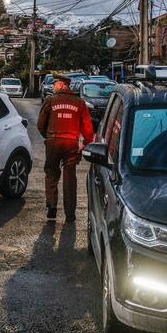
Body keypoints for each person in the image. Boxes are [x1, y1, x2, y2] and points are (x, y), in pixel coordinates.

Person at [37, 73, 94, 223]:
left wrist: (49, 137)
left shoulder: (50, 101)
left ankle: (51, 206)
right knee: (70, 178)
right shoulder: (80, 103)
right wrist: (86, 143)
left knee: (51, 173)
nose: (54, 87)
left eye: (55, 84)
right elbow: (88, 128)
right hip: (71, 144)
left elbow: (40, 125)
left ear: (62, 85)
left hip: (53, 142)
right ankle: (70, 215)